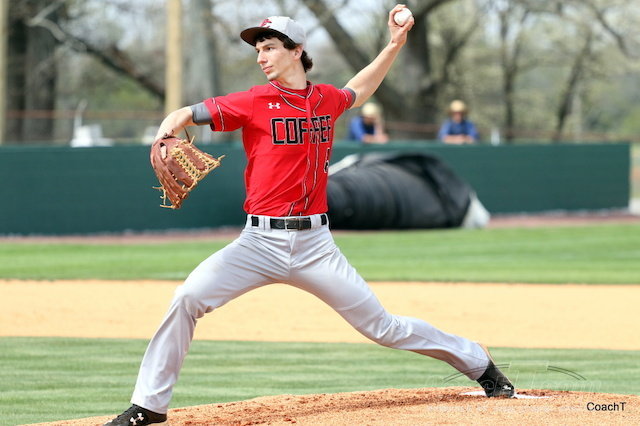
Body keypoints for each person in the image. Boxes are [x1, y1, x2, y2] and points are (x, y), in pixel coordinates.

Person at [105, 6, 513, 426]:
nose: (261, 57)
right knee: (187, 299)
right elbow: (188, 113)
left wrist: (394, 45)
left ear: (296, 50)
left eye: (269, 47)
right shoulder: (254, 100)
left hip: (316, 246)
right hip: (257, 244)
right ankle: (149, 405)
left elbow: (358, 89)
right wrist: (166, 131)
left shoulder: (325, 100)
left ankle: (477, 362)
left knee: (382, 327)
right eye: (258, 50)